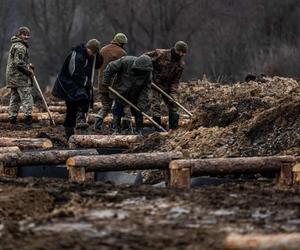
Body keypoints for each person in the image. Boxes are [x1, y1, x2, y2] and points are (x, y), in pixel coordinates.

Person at [52, 39, 102, 140]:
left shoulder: (90, 56)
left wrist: (98, 56)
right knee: (78, 103)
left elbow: (97, 65)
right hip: (68, 85)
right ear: (88, 48)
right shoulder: (77, 56)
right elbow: (74, 73)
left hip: (78, 86)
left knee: (81, 103)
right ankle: (72, 132)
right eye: (92, 52)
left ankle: (80, 132)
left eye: (95, 53)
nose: (93, 54)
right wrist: (87, 82)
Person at [102, 54, 153, 134]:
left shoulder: (147, 73)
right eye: (140, 70)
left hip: (136, 93)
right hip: (120, 91)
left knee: (139, 111)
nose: (141, 73)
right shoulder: (126, 61)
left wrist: (142, 105)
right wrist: (106, 80)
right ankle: (116, 129)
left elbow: (145, 90)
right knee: (118, 109)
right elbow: (110, 67)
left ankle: (139, 130)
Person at [145, 41, 188, 130]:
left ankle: (173, 130)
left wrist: (173, 94)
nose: (181, 54)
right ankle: (157, 130)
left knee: (174, 106)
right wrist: (147, 74)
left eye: (183, 52)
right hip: (155, 84)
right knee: (156, 105)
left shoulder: (180, 65)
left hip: (168, 87)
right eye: (179, 51)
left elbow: (175, 81)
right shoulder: (160, 53)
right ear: (175, 49)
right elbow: (143, 59)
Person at [94, 33, 128, 131]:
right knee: (118, 106)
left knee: (106, 106)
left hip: (102, 84)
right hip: (115, 86)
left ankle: (98, 123)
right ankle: (115, 127)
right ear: (121, 43)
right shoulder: (122, 53)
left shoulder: (103, 49)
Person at [6, 26, 34, 128]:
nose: (26, 37)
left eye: (27, 35)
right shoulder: (20, 47)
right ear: (20, 35)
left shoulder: (15, 45)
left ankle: (12, 119)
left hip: (12, 77)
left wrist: (28, 65)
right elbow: (19, 64)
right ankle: (28, 121)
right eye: (24, 34)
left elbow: (19, 62)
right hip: (19, 77)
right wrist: (29, 72)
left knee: (15, 98)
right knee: (27, 97)